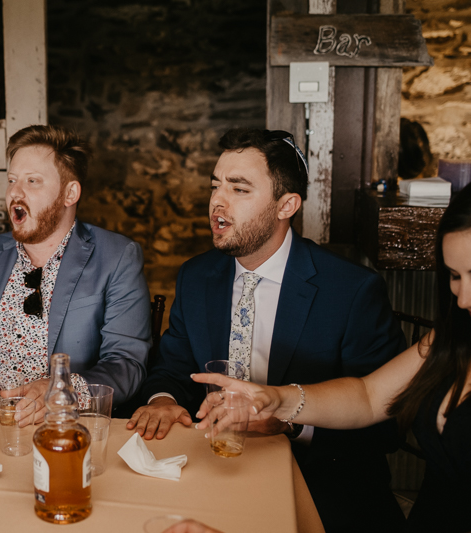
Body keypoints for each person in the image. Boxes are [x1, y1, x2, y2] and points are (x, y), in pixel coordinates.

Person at [127, 129, 406, 533]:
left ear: (286, 205)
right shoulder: (197, 275)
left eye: (239, 189)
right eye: (215, 186)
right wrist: (164, 399)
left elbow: (388, 425)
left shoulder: (351, 291)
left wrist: (291, 423)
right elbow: (173, 365)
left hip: (316, 484)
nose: (217, 203)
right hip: (207, 470)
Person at [197, 178, 471, 533]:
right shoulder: (454, 338)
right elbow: (368, 396)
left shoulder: (353, 288)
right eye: (454, 276)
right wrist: (277, 398)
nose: (465, 298)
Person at [0, 124, 151, 421]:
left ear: (70, 193)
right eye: (12, 180)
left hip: (65, 428)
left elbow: (126, 363)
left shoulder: (117, 257)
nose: (15, 193)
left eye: (33, 181)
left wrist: (62, 391)